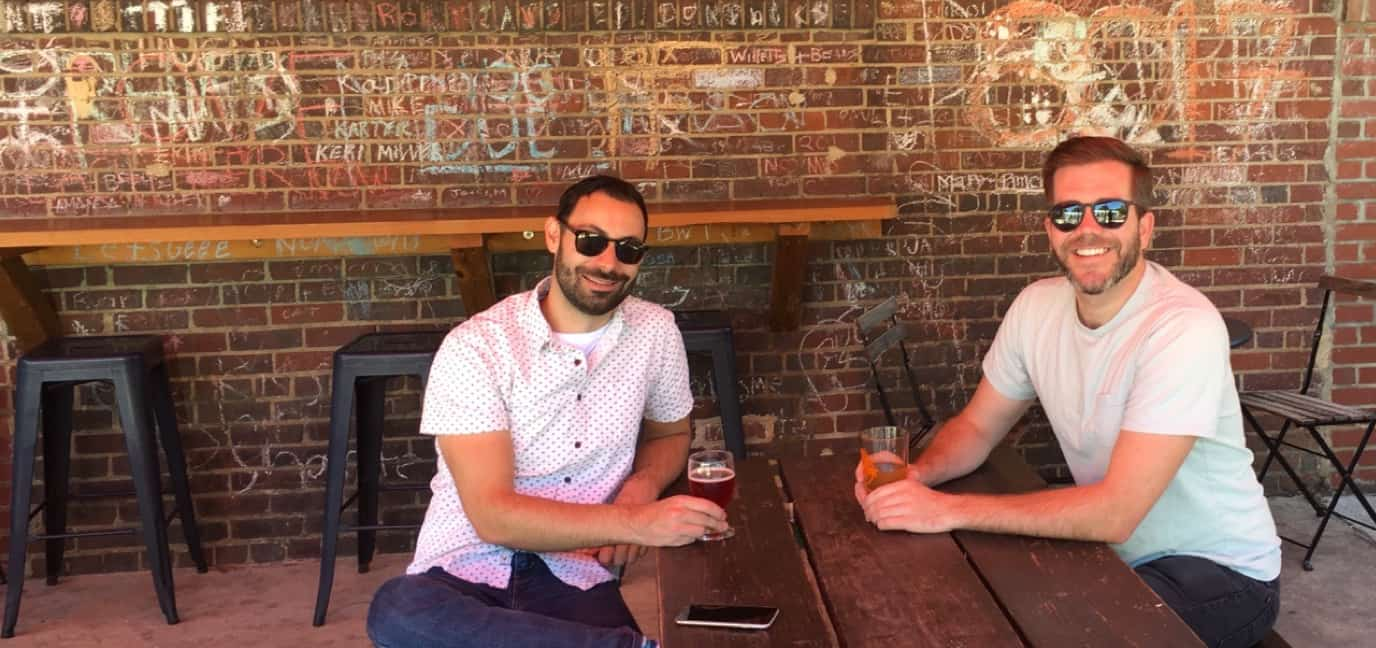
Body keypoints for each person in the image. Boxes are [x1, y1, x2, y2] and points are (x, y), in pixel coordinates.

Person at [856, 136, 1281, 648]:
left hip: (1218, 573)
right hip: (1111, 554)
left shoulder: (1181, 327)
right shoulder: (1037, 307)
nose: (1087, 230)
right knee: (957, 609)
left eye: (1109, 211)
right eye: (1068, 214)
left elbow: (1115, 512)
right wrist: (915, 479)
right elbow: (975, 427)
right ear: (1049, 231)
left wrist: (946, 509)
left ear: (1144, 228)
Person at [367, 175, 727, 648]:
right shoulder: (478, 346)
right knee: (398, 611)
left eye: (628, 249)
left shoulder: (655, 333)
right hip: (463, 569)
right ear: (554, 235)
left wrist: (642, 487)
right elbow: (493, 517)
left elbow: (670, 434)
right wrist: (638, 523)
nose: (608, 262)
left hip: (573, 571)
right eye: (592, 241)